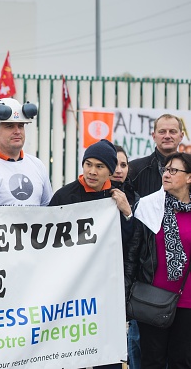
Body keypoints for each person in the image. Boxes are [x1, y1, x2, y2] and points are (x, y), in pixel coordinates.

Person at [49, 139, 133, 369]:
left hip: (106, 289)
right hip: (71, 289)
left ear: (110, 170)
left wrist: (127, 214)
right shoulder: (64, 196)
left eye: (99, 166)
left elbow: (130, 242)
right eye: (88, 164)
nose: (92, 171)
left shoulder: (119, 197)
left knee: (107, 355)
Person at [129, 152, 191, 368]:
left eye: (174, 170)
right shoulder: (149, 207)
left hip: (187, 301)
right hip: (152, 299)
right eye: (165, 170)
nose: (167, 174)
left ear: (189, 178)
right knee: (151, 361)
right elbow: (134, 253)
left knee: (181, 361)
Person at [0, 98, 53, 206]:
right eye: (10, 126)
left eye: (21, 126)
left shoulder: (37, 165)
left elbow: (48, 209)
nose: (17, 131)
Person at [111, 145, 141, 369]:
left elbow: (134, 243)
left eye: (124, 164)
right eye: (114, 164)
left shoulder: (135, 198)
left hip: (123, 275)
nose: (119, 170)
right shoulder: (84, 195)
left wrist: (128, 213)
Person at [129, 113, 184, 197]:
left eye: (172, 132)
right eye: (162, 132)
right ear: (154, 136)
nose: (167, 136)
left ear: (181, 136)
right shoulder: (134, 169)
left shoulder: (189, 168)